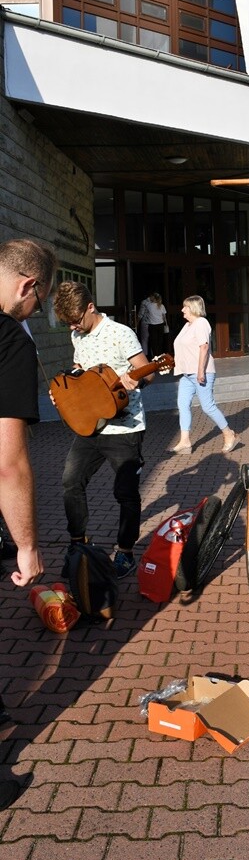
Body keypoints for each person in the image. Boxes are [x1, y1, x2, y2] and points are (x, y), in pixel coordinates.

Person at [0, 237, 57, 810]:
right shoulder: (9, 340)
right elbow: (9, 462)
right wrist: (26, 545)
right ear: (27, 286)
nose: (35, 313)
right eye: (37, 302)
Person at [53, 282, 155, 578]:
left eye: (76, 319)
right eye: (69, 323)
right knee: (71, 481)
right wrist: (64, 391)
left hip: (125, 428)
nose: (74, 326)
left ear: (90, 306)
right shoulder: (77, 335)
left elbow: (146, 370)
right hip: (90, 425)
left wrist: (137, 380)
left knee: (125, 492)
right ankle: (77, 545)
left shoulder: (121, 333)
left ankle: (125, 552)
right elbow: (79, 370)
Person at [171, 295, 237, 454]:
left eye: (185, 307)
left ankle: (229, 434)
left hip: (201, 373)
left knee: (208, 406)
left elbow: (204, 347)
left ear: (193, 308)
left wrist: (201, 371)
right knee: (182, 404)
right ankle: (185, 441)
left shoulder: (201, 323)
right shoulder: (187, 325)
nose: (182, 310)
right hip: (187, 375)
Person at [139, 292, 168, 360]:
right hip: (160, 325)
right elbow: (164, 317)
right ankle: (160, 355)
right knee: (160, 341)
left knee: (154, 342)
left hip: (153, 326)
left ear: (154, 298)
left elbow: (143, 311)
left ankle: (155, 356)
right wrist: (166, 324)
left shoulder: (149, 305)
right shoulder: (161, 306)